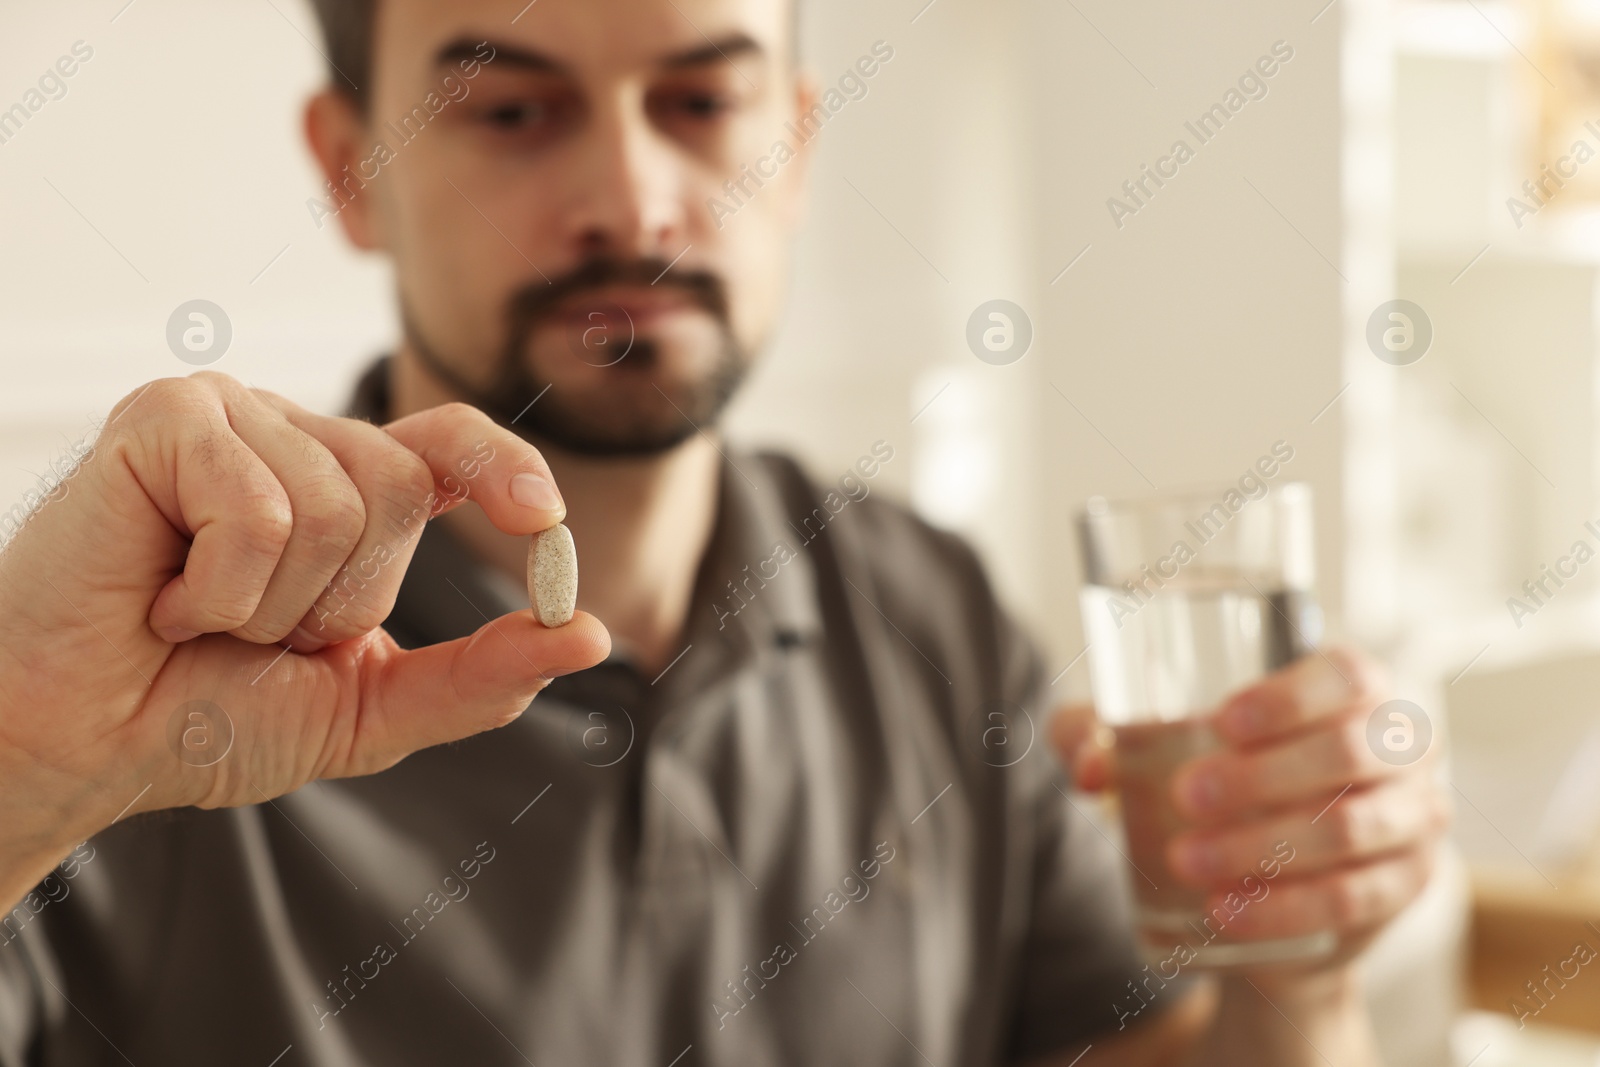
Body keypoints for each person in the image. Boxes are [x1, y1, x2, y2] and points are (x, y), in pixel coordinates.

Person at [0, 0, 1446, 1063]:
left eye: (700, 105)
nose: (633, 202)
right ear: (349, 169)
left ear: (796, 147)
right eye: (511, 111)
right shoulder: (147, 674)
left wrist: (1293, 979)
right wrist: (19, 767)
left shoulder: (930, 607)